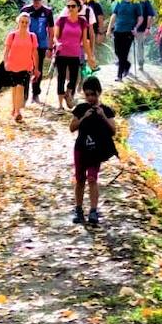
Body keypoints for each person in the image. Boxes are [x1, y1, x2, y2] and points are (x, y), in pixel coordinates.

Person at [68, 77, 117, 228]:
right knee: (80, 179)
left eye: (93, 94)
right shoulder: (81, 108)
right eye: (87, 94)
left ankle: (94, 210)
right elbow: (72, 127)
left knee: (92, 179)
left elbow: (113, 130)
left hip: (96, 150)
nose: (90, 98)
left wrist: (102, 115)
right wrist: (83, 118)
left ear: (99, 93)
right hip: (80, 148)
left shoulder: (106, 110)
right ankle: (78, 209)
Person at [53, 0, 94, 110]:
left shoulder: (82, 22)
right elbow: (55, 37)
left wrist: (90, 56)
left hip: (75, 54)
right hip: (61, 53)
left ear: (78, 8)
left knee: (74, 79)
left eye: (73, 6)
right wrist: (57, 43)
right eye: (68, 6)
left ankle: (68, 93)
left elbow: (85, 41)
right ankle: (60, 105)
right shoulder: (61, 20)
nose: (70, 8)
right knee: (61, 78)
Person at [18, 0, 56, 104]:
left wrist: (50, 47)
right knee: (24, 69)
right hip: (26, 44)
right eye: (34, 0)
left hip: (41, 45)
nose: (36, 2)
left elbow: (51, 30)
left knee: (37, 69)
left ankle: (35, 94)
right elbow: (19, 27)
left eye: (38, 0)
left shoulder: (48, 12)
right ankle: (24, 95)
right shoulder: (25, 10)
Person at [3, 12, 38, 122]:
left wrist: (36, 68)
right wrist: (5, 63)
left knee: (20, 87)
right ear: (18, 22)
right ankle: (15, 108)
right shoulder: (12, 35)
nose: (24, 24)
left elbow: (35, 53)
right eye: (22, 22)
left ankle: (18, 111)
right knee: (14, 88)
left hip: (26, 66)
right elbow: (6, 50)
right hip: (13, 65)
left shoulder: (32, 37)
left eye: (26, 22)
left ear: (29, 24)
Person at [110, 0, 140, 82]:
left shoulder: (135, 3)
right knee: (117, 51)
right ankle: (127, 65)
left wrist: (136, 28)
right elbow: (114, 15)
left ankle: (119, 75)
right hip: (117, 30)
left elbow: (140, 17)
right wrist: (109, 29)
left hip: (128, 31)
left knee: (124, 54)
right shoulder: (119, 2)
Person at [134, 0, 157, 73]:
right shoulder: (133, 0)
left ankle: (140, 63)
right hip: (133, 27)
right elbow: (150, 16)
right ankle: (138, 63)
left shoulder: (145, 1)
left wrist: (148, 27)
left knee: (139, 45)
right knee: (139, 45)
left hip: (140, 28)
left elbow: (150, 16)